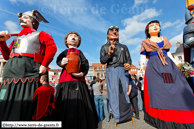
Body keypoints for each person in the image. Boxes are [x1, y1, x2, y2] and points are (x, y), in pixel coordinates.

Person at [0, 10, 57, 121]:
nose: (22, 19)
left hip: (28, 68)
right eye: (22, 18)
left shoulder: (40, 34)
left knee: (25, 98)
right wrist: (2, 42)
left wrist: (44, 64)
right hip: (11, 69)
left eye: (26, 17)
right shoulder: (16, 38)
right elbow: (7, 56)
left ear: (34, 22)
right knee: (5, 97)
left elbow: (52, 48)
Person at [140, 20, 194, 128]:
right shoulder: (145, 42)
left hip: (168, 65)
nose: (155, 27)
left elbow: (169, 54)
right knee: (159, 90)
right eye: (152, 25)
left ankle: (185, 113)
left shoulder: (164, 39)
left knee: (179, 87)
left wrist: (177, 65)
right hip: (154, 66)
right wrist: (141, 66)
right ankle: (163, 117)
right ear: (147, 30)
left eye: (157, 25)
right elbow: (142, 56)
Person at [54, 31, 98, 129]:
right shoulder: (64, 52)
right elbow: (58, 60)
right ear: (66, 40)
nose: (73, 37)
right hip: (65, 80)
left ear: (78, 41)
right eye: (71, 36)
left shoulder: (80, 53)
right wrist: (62, 62)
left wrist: (82, 73)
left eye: (75, 36)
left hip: (79, 80)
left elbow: (85, 64)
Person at [100, 26, 133, 123]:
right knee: (113, 93)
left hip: (123, 70)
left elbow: (129, 59)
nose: (114, 32)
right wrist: (109, 54)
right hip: (111, 70)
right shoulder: (104, 47)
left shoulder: (124, 46)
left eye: (116, 31)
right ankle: (117, 116)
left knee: (125, 92)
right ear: (108, 34)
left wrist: (128, 64)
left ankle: (127, 114)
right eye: (112, 30)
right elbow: (102, 61)